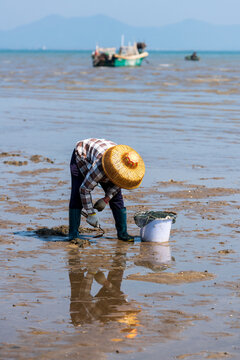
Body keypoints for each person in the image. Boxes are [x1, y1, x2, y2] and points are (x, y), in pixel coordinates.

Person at [69, 138, 145, 242]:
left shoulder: (125, 172)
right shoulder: (100, 166)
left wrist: (106, 199)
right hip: (82, 155)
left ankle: (122, 233)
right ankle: (73, 234)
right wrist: (91, 213)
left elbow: (118, 185)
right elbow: (84, 189)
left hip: (101, 153)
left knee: (117, 198)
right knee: (77, 194)